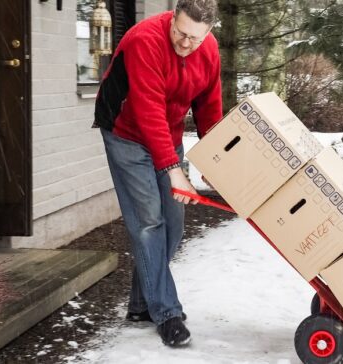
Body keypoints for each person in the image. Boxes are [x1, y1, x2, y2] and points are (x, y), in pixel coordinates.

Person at [93, 0, 222, 347]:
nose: (185, 43)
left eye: (195, 38)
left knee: (174, 224)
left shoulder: (207, 50)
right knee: (149, 222)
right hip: (126, 133)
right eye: (180, 32)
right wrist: (173, 171)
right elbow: (148, 111)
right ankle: (166, 313)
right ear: (173, 17)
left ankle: (140, 304)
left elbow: (209, 105)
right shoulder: (144, 41)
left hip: (169, 134)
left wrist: (215, 163)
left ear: (208, 32)